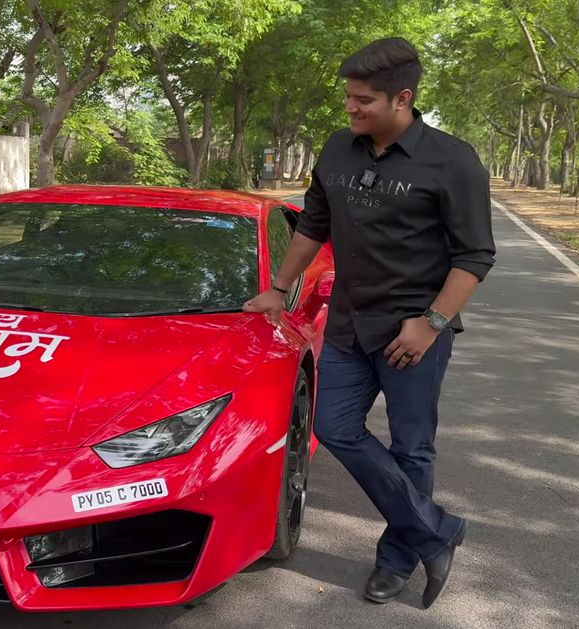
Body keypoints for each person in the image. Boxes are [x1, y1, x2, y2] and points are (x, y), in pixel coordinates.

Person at [243, 37, 495, 609]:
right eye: (349, 98)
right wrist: (279, 289)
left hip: (414, 334)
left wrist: (430, 322)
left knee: (413, 449)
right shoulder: (338, 148)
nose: (351, 109)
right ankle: (435, 529)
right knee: (332, 427)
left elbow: (474, 256)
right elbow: (313, 224)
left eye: (363, 100)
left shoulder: (452, 160)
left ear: (402, 98)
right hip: (350, 327)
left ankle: (398, 557)